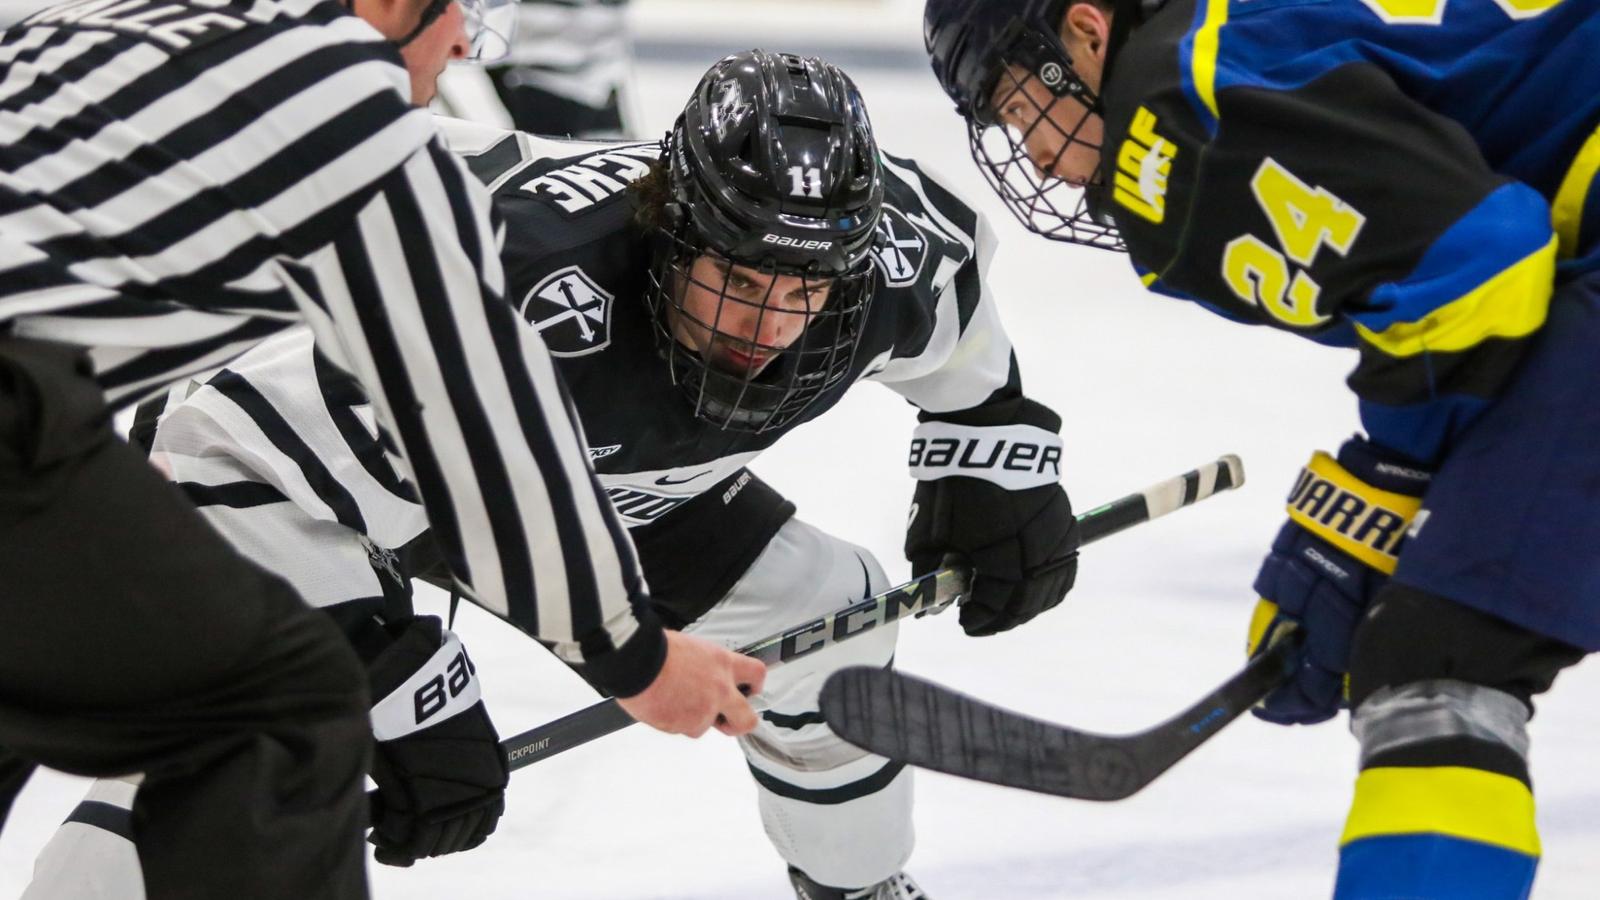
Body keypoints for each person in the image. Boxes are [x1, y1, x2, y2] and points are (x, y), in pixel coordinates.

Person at [24, 49, 1083, 900]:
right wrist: (384, 673)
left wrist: (996, 456)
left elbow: (964, 345)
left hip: (578, 485)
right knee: (260, 742)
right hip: (324, 469)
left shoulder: (890, 260)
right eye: (737, 278)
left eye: (801, 289)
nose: (766, 327)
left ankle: (857, 887)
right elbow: (221, 447)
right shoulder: (511, 286)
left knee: (829, 616)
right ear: (670, 237)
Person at [0, 0, 762, 896]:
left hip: (40, 430)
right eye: (457, 13)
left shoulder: (112, 29)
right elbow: (483, 431)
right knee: (283, 711)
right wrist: (637, 660)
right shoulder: (355, 130)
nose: (465, 46)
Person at [921, 0, 1600, 897]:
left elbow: (1480, 267)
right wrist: (1369, 505)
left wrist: (1376, 485)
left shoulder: (1169, 112)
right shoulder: (1235, 35)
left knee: (1437, 666)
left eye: (1018, 105)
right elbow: (1467, 298)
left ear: (1085, 30)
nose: (1034, 151)